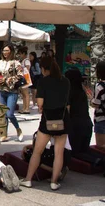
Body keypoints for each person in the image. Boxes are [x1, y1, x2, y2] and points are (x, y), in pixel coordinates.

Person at [21, 57, 70, 191]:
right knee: (58, 152)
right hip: (63, 119)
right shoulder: (65, 81)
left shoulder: (43, 81)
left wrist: (41, 107)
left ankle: (28, 179)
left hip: (48, 119)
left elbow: (40, 104)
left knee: (38, 151)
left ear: (43, 68)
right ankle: (54, 182)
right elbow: (68, 103)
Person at [65, 68, 105, 177]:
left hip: (76, 125)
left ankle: (101, 161)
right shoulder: (82, 91)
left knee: (76, 151)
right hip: (87, 123)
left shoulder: (69, 92)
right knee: (85, 149)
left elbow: (68, 111)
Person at [0, 43, 24, 142]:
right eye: (4, 51)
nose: (5, 53)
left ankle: (18, 129)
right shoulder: (0, 62)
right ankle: (4, 133)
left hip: (12, 91)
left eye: (7, 51)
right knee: (3, 114)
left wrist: (7, 80)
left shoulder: (16, 63)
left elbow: (21, 75)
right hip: (1, 90)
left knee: (10, 114)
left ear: (11, 51)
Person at [17, 46, 32, 114]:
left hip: (25, 78)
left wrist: (21, 68)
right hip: (23, 78)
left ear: (23, 53)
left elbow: (27, 69)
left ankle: (27, 108)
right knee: (23, 94)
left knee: (26, 94)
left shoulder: (26, 60)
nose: (19, 55)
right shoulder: (23, 60)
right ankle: (24, 107)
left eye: (20, 54)